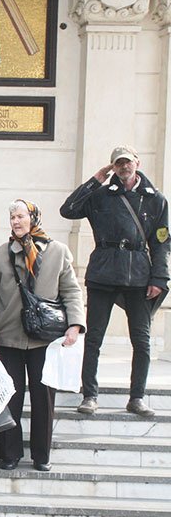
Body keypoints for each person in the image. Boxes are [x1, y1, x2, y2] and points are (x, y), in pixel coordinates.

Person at [60, 145, 170, 418]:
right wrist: (95, 179)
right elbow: (68, 209)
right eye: (118, 164)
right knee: (94, 338)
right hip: (103, 273)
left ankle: (137, 397)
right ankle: (90, 395)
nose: (124, 167)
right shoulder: (100, 195)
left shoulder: (155, 199)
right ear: (113, 167)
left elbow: (162, 242)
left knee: (141, 341)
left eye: (127, 162)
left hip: (139, 275)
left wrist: (160, 277)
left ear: (137, 163)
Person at [0, 200, 85, 472]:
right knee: (9, 396)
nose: (16, 222)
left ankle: (41, 456)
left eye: (21, 216)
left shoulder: (58, 251)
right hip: (8, 336)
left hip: (46, 338)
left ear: (34, 218)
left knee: (44, 397)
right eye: (12, 217)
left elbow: (71, 290)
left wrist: (75, 325)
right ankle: (9, 453)